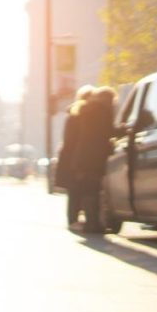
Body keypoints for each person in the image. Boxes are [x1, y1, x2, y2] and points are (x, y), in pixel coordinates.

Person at [71, 86, 117, 233]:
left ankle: (91, 223)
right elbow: (108, 132)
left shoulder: (88, 110)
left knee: (88, 191)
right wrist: (123, 129)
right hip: (95, 157)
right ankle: (94, 224)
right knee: (94, 191)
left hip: (84, 157)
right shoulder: (103, 111)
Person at [55, 85, 94, 227]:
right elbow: (73, 140)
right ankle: (73, 220)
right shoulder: (78, 115)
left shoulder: (74, 114)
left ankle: (74, 219)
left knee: (75, 191)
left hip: (71, 157)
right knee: (76, 190)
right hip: (74, 158)